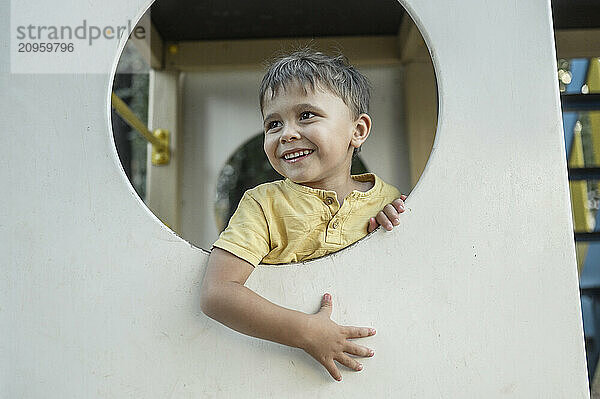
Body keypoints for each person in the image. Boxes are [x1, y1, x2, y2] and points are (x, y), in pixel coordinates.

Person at [200, 48, 407, 381]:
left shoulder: (391, 201)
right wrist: (307, 332)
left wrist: (392, 233)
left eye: (306, 115)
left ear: (358, 130)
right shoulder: (263, 204)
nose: (287, 133)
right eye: (274, 123)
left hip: (379, 369)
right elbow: (218, 293)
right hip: (282, 373)